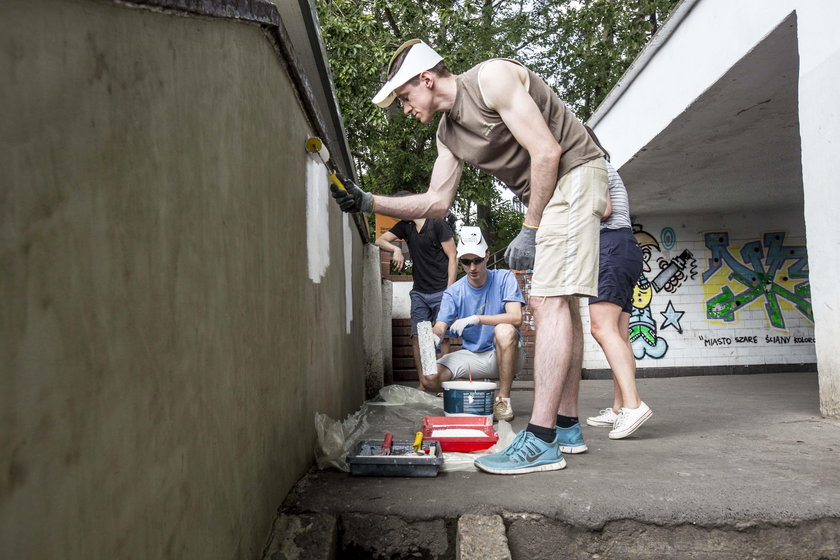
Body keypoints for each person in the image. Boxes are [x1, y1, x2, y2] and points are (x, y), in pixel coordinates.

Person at [331, 39, 608, 474]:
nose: (404, 109)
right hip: (551, 191)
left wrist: (530, 228)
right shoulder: (448, 135)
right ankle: (567, 425)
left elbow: (548, 151)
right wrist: (368, 201)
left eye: (404, 97)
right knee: (564, 306)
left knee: (547, 301)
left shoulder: (491, 78)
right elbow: (436, 202)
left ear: (426, 79)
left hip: (573, 174)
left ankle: (540, 440)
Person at [583, 128, 652, 439]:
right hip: (623, 248)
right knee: (619, 335)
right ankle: (619, 408)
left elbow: (604, 210)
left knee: (602, 328)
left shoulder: (593, 166)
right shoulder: (603, 166)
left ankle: (634, 405)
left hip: (610, 247)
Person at [421, 226, 525, 422]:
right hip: (473, 355)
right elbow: (441, 324)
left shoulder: (504, 278)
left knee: (504, 329)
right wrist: (435, 334)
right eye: (466, 262)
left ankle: (503, 400)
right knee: (429, 379)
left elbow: (516, 317)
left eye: (477, 260)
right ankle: (466, 386)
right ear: (460, 261)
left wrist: (477, 318)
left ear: (487, 255)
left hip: (505, 353)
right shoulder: (454, 291)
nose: (472, 267)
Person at [375, 210, 457, 390]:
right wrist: (396, 249)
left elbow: (453, 256)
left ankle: (443, 385)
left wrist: (449, 291)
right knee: (417, 337)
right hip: (419, 292)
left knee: (442, 338)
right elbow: (380, 240)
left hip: (441, 290)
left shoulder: (437, 224)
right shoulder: (405, 226)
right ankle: (424, 383)